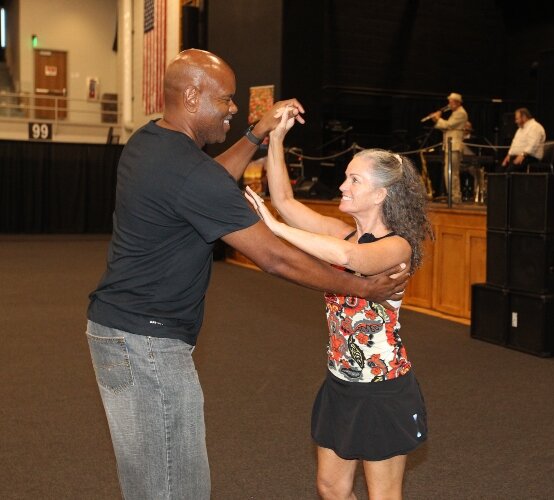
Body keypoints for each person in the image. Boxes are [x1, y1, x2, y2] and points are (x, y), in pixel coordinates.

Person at [85, 49, 408, 500]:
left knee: (151, 479)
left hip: (117, 332)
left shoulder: (150, 143)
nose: (234, 109)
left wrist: (257, 136)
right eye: (228, 100)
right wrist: (361, 288)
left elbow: (210, 181)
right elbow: (274, 258)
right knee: (176, 486)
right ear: (194, 96)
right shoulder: (190, 173)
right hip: (147, 346)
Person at [245, 105, 431, 500]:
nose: (343, 186)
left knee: (383, 495)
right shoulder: (343, 234)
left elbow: (352, 262)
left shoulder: (397, 246)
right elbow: (284, 199)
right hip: (341, 381)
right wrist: (276, 138)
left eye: (354, 179)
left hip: (382, 388)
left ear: (381, 193)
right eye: (346, 176)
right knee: (330, 487)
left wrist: (275, 229)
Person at [430, 92, 468, 204]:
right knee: (449, 173)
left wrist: (438, 118)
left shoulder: (460, 113)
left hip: (455, 146)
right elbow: (447, 129)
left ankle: (455, 198)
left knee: (452, 173)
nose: (449, 104)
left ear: (457, 103)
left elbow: (448, 125)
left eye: (451, 102)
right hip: (450, 146)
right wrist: (436, 121)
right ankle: (452, 197)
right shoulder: (455, 113)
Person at [502, 107, 546, 172]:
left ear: (524, 117)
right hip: (517, 156)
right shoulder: (519, 130)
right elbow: (514, 143)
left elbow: (533, 145)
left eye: (517, 119)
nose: (515, 121)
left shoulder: (535, 127)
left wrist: (523, 155)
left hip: (530, 157)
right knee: (500, 170)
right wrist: (508, 155)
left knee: (509, 171)